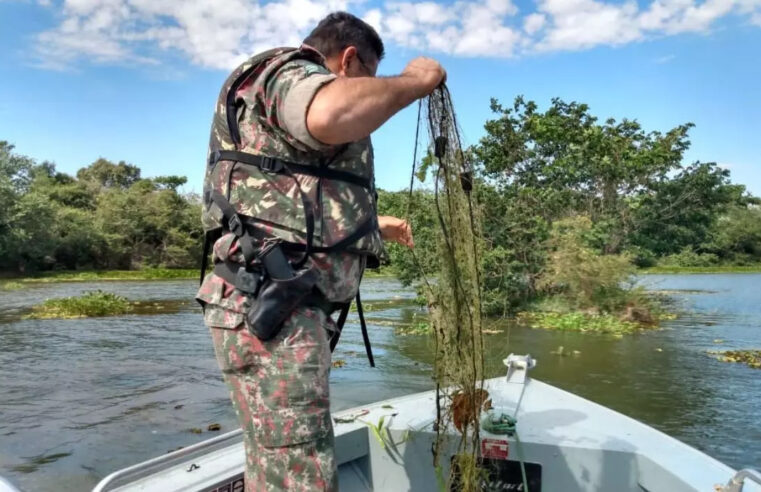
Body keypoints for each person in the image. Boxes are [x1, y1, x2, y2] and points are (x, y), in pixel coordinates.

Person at [196, 11, 445, 492]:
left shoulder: (280, 105)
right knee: (299, 464)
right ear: (349, 60)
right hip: (271, 303)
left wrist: (374, 226)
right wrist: (415, 80)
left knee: (281, 454)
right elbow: (329, 114)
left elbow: (294, 206)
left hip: (282, 304)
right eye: (368, 79)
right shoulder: (285, 70)